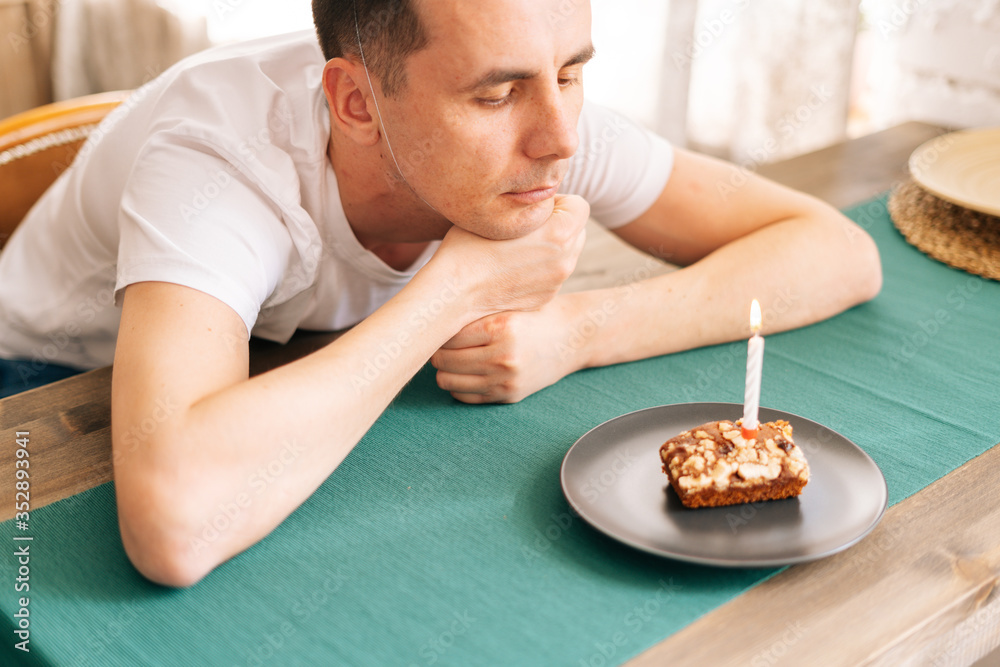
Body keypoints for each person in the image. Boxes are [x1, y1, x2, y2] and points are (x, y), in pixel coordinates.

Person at [0, 0, 881, 586]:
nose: (561, 137)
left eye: (573, 72)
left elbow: (837, 252)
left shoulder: (541, 121)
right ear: (354, 101)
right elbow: (173, 525)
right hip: (46, 397)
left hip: (281, 360)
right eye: (498, 93)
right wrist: (457, 290)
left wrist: (577, 330)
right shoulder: (217, 161)